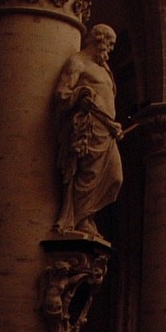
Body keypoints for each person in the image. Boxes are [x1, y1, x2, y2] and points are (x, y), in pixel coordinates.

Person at [53, 24, 124, 238]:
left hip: (108, 131)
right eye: (109, 43)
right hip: (89, 129)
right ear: (98, 39)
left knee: (114, 177)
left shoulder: (104, 69)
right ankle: (78, 219)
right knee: (87, 174)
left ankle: (85, 216)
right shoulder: (78, 63)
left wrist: (113, 124)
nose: (111, 49)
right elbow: (62, 94)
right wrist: (82, 93)